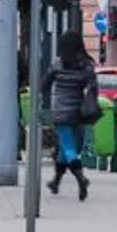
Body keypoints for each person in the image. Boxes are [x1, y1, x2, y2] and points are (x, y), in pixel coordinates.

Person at [44, 30, 98, 201]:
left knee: (68, 147)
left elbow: (44, 85)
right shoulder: (86, 66)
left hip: (60, 110)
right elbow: (93, 87)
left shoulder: (58, 64)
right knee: (64, 148)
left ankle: (81, 178)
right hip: (78, 112)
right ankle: (56, 181)